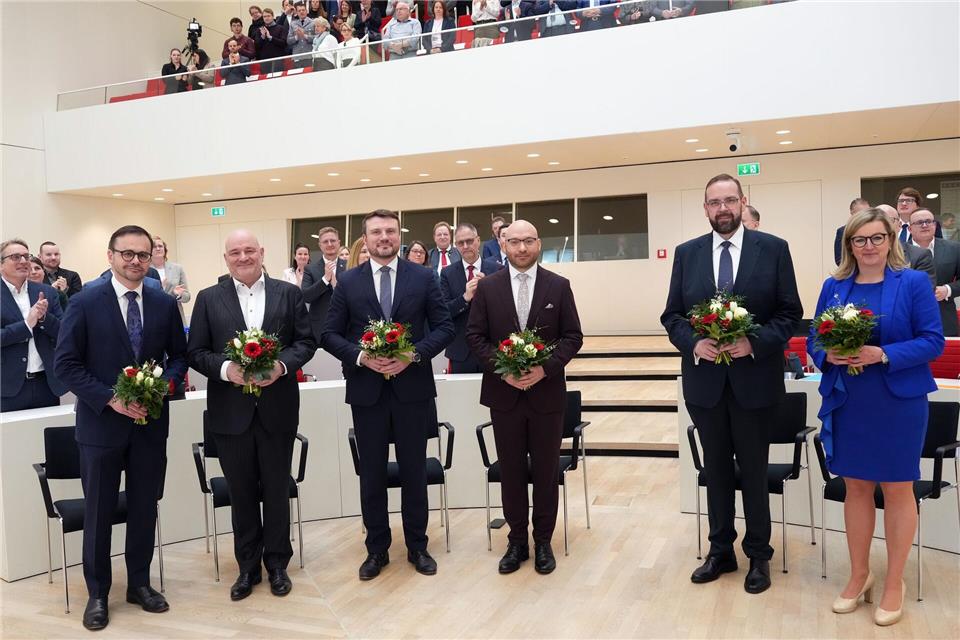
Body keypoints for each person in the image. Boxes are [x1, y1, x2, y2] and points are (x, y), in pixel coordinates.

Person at [660, 173, 802, 595]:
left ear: (742, 202)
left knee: (754, 472)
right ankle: (720, 550)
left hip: (755, 383)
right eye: (713, 202)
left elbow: (790, 313)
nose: (722, 208)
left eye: (729, 200)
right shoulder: (688, 254)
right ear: (705, 208)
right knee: (716, 470)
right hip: (706, 385)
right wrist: (694, 343)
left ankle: (759, 554)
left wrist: (752, 342)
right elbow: (672, 316)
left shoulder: (773, 249)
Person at [808, 208, 943, 626]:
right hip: (850, 399)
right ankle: (860, 575)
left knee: (899, 489)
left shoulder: (915, 283)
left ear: (891, 240)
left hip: (898, 401)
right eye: (859, 240)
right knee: (857, 489)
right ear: (849, 245)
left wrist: (882, 353)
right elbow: (815, 337)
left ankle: (894, 582)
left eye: (876, 238)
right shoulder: (834, 286)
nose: (868, 247)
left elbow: (932, 341)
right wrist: (825, 354)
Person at [54, 225, 187, 631]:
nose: (134, 261)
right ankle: (97, 593)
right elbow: (66, 365)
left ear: (151, 259)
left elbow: (180, 359)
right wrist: (112, 398)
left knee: (145, 506)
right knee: (99, 511)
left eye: (142, 255)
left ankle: (140, 584)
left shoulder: (164, 303)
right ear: (111, 255)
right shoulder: (85, 300)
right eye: (126, 253)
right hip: (100, 428)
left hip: (149, 426)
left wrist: (161, 387)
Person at [321, 209, 454, 581]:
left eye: (390, 231)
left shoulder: (424, 277)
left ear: (400, 235)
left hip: (413, 391)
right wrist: (362, 357)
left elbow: (444, 327)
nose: (384, 237)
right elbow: (329, 334)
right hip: (368, 393)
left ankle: (417, 546)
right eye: (376, 232)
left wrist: (414, 355)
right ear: (365, 238)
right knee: (372, 474)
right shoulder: (348, 282)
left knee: (414, 471)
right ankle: (377, 549)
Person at [187, 230, 315, 602]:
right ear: (225, 259)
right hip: (230, 414)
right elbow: (195, 352)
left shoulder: (289, 294)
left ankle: (277, 564)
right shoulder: (209, 299)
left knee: (276, 490)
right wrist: (228, 369)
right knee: (241, 493)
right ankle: (247, 567)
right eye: (234, 252)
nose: (242, 257)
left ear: (262, 253)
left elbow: (306, 342)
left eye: (249, 251)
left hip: (278, 410)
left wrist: (281, 366)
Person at [465, 220, 583, 574]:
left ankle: (543, 541)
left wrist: (543, 368)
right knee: (512, 472)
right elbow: (475, 336)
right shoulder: (488, 289)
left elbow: (573, 336)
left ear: (538, 244)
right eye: (513, 242)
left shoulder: (558, 286)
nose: (521, 248)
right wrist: (504, 371)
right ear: (502, 245)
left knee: (547, 472)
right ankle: (517, 541)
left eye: (528, 241)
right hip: (505, 397)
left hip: (547, 396)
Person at [1, 239, 65, 412]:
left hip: (46, 383)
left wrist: (44, 319)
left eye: (25, 256)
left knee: (48, 437)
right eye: (15, 257)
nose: (23, 261)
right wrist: (26, 325)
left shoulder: (48, 292)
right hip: (7, 387)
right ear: (1, 264)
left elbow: (64, 334)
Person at [441, 223, 502, 373]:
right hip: (460, 351)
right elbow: (444, 312)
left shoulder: (497, 270)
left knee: (493, 396)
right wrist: (465, 297)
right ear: (456, 245)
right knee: (461, 396)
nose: (466, 246)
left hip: (492, 349)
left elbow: (504, 308)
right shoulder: (447, 274)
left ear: (478, 240)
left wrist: (488, 290)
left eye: (469, 241)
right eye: (461, 243)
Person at [910, 208, 960, 336]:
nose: (925, 225)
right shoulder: (898, 251)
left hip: (944, 319)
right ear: (910, 229)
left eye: (928, 221)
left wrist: (947, 289)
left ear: (935, 225)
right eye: (919, 222)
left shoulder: (954, 248)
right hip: (908, 320)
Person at [301, 227, 346, 344]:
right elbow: (306, 296)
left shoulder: (350, 266)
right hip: (319, 329)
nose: (329, 244)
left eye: (333, 240)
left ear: (339, 243)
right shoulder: (310, 269)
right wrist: (325, 279)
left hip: (346, 327)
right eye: (325, 241)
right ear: (320, 245)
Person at [877, 204, 935, 288]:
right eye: (876, 220)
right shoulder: (860, 253)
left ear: (900, 225)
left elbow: (924, 292)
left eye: (889, 220)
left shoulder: (920, 255)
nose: (881, 225)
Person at [150, 236, 190, 318]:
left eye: (160, 246)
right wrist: (159, 288)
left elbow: (187, 297)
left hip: (174, 314)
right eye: (154, 246)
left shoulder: (177, 268)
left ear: (165, 249)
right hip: (153, 315)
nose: (158, 248)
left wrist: (178, 295)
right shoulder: (145, 270)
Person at [834, 198, 870, 265]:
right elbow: (839, 259)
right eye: (861, 213)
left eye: (867, 213)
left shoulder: (874, 230)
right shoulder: (843, 232)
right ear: (852, 213)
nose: (865, 216)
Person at [254, 8, 289, 74]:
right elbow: (257, 46)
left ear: (273, 16)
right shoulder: (260, 30)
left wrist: (271, 38)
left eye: (268, 16)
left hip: (278, 60)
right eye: (264, 16)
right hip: (265, 61)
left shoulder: (280, 28)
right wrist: (263, 37)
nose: (266, 18)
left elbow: (284, 43)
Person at [287, 1, 316, 67]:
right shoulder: (293, 24)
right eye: (299, 11)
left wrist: (305, 36)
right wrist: (297, 37)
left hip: (309, 56)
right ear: (297, 13)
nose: (301, 12)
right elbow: (288, 40)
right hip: (297, 56)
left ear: (306, 11)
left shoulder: (313, 23)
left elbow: (317, 38)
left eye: (303, 10)